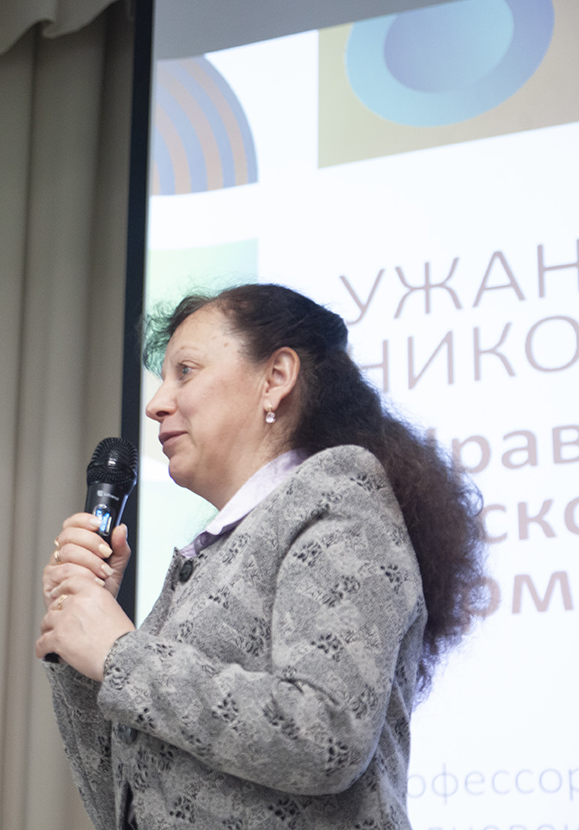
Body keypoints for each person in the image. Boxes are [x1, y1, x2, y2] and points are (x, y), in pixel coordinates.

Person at [35, 283, 485, 829]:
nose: (155, 405)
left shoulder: (339, 494)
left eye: (185, 371)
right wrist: (82, 645)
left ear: (275, 379)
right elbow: (120, 807)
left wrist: (118, 654)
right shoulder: (208, 561)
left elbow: (327, 734)